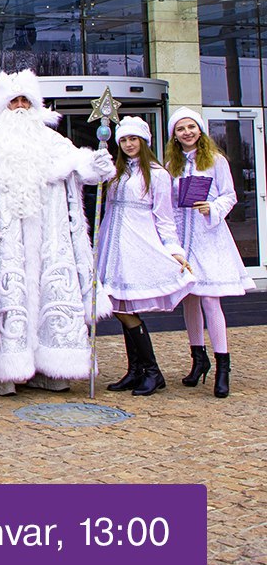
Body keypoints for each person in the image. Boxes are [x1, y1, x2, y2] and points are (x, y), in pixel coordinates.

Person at [0, 69, 116, 394]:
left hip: (51, 237)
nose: (20, 107)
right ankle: (3, 370)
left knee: (53, 297)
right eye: (14, 101)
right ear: (4, 106)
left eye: (26, 101)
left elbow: (83, 169)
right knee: (10, 299)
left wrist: (98, 165)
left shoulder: (54, 142)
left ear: (35, 106)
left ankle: (50, 367)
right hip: (9, 239)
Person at [95, 117, 195, 396]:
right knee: (119, 307)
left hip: (137, 243)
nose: (128, 144)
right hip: (112, 244)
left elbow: (165, 217)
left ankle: (152, 371)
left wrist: (174, 250)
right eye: (124, 140)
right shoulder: (115, 171)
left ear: (143, 141)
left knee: (125, 309)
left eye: (133, 139)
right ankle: (136, 370)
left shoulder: (157, 174)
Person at [164, 107, 254, 398]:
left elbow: (230, 195)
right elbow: (168, 202)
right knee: (189, 299)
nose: (187, 132)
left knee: (210, 299)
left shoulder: (216, 160)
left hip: (209, 236)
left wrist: (212, 208)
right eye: (181, 129)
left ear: (199, 129)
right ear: (174, 135)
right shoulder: (172, 165)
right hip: (184, 238)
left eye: (191, 127)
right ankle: (198, 359)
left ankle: (222, 366)